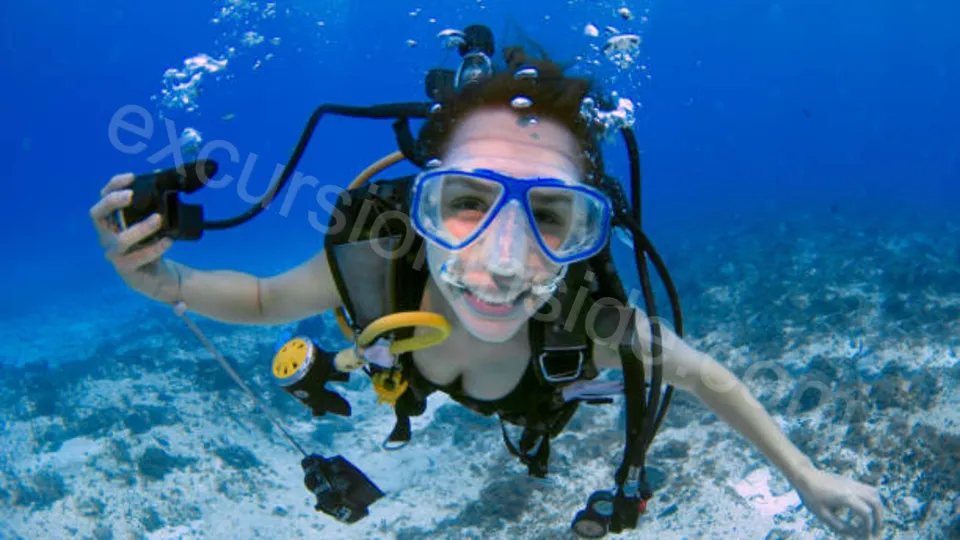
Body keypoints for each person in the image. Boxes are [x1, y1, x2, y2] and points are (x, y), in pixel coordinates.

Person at [89, 27, 882, 538]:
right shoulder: (381, 262)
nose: (503, 263)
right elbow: (263, 300)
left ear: (587, 230)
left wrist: (805, 475)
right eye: (464, 205)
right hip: (408, 361)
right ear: (418, 206)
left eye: (553, 216)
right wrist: (165, 282)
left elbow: (706, 377)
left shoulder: (588, 320)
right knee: (367, 358)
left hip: (540, 401)